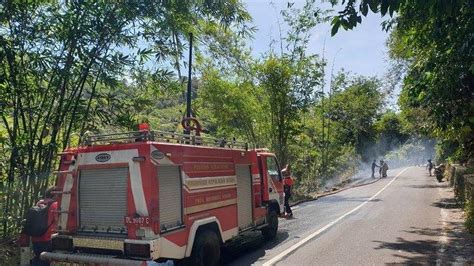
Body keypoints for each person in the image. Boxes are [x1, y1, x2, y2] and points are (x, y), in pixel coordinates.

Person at [31, 187, 58, 266]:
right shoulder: (55, 205)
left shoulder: (39, 203)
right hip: (47, 238)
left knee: (38, 258)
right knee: (45, 261)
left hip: (36, 237)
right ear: (56, 194)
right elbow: (58, 221)